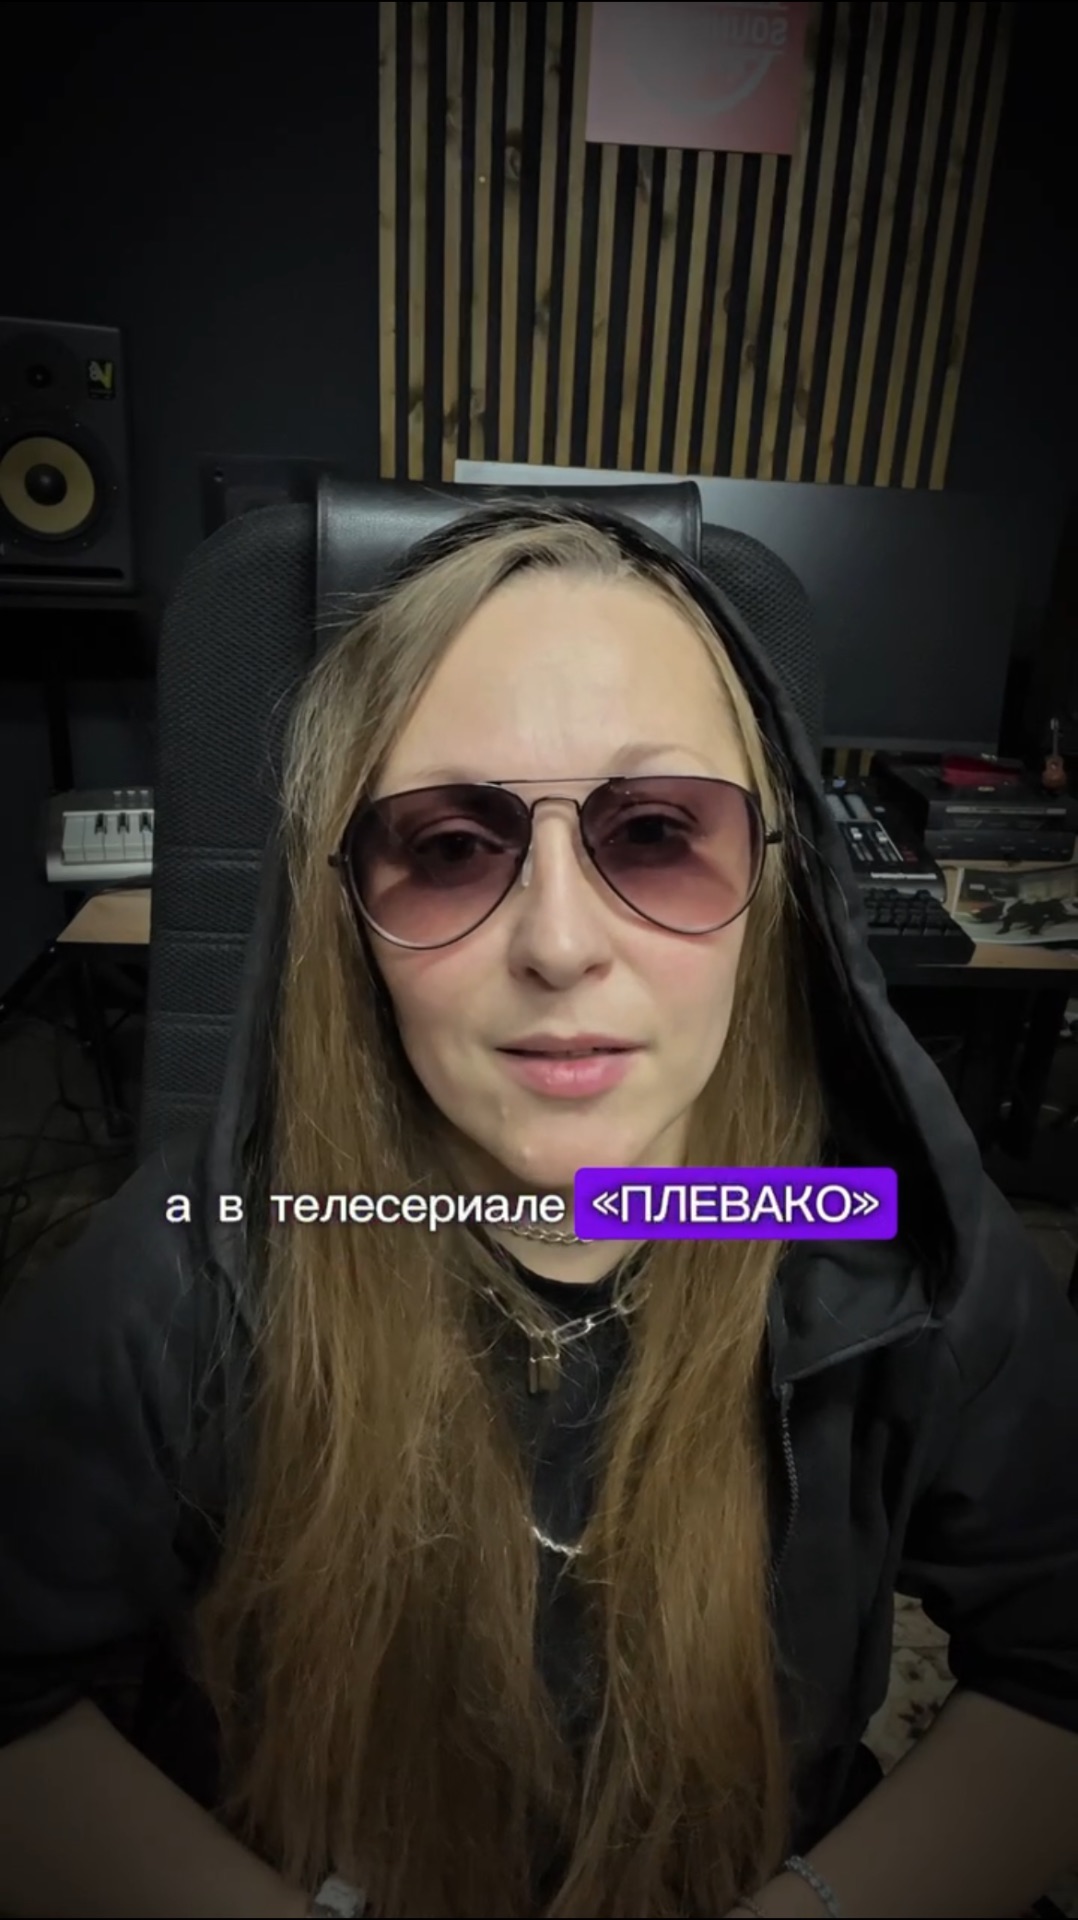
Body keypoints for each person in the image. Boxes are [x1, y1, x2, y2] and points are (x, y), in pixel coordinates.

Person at [1, 498, 1077, 1920]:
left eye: (656, 832)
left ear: (773, 883)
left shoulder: (882, 1240)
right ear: (349, 916)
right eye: (449, 847)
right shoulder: (187, 1273)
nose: (560, 944)